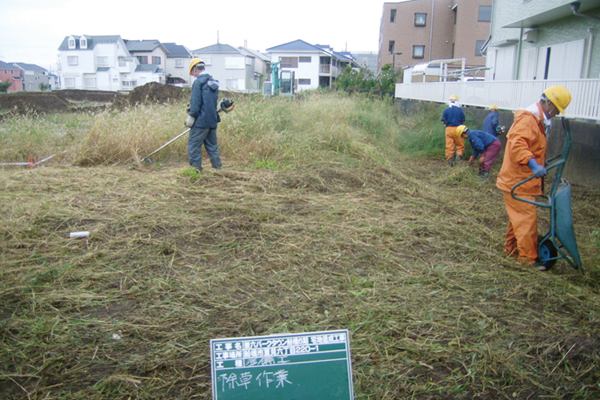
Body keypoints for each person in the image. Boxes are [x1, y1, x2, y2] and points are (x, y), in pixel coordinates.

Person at [495, 86, 572, 271]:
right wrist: (532, 164)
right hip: (517, 181)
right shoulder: (528, 120)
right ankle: (528, 260)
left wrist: (540, 163)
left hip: (523, 181)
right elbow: (518, 144)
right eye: (556, 110)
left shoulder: (536, 121)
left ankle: (511, 250)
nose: (555, 115)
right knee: (526, 220)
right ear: (550, 104)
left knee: (518, 219)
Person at [184, 58, 222, 171]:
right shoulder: (213, 82)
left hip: (200, 122)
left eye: (193, 72)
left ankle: (195, 171)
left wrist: (191, 117)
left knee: (193, 146)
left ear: (195, 69)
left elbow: (196, 104)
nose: (194, 75)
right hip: (212, 121)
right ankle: (218, 169)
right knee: (212, 147)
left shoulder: (198, 82)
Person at [441, 94, 466, 166]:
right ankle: (458, 159)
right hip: (459, 129)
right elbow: (463, 121)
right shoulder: (460, 110)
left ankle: (450, 161)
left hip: (449, 129)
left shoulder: (446, 110)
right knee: (460, 145)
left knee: (449, 146)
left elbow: (443, 121)